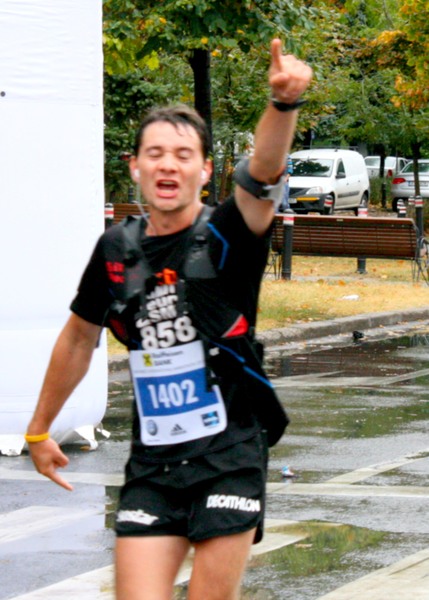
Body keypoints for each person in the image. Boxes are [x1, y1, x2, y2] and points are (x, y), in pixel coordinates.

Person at [25, 38, 312, 600]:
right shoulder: (116, 249)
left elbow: (263, 172)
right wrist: (39, 429)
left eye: (183, 155)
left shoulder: (228, 234)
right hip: (154, 463)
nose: (168, 164)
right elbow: (79, 338)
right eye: (155, 153)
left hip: (230, 455)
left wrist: (283, 104)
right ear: (135, 166)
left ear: (205, 170)